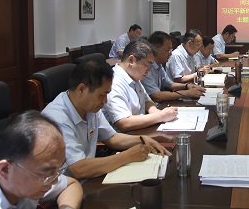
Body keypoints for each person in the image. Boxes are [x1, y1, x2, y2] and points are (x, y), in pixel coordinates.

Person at [42, 59, 171, 180]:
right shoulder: (56, 119)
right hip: (65, 187)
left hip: (90, 177)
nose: (105, 101)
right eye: (102, 95)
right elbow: (78, 169)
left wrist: (142, 139)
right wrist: (127, 156)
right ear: (81, 89)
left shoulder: (89, 106)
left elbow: (112, 138)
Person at [102, 39, 178, 132]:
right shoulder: (114, 82)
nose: (149, 70)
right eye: (147, 65)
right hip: (124, 136)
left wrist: (156, 112)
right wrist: (160, 116)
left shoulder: (133, 75)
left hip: (139, 130)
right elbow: (124, 123)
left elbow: (147, 101)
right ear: (131, 60)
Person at [143, 31, 205, 103]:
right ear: (155, 49)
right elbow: (157, 96)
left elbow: (170, 84)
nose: (170, 53)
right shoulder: (146, 68)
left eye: (171, 49)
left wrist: (187, 86)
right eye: (168, 50)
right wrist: (187, 93)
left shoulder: (159, 66)